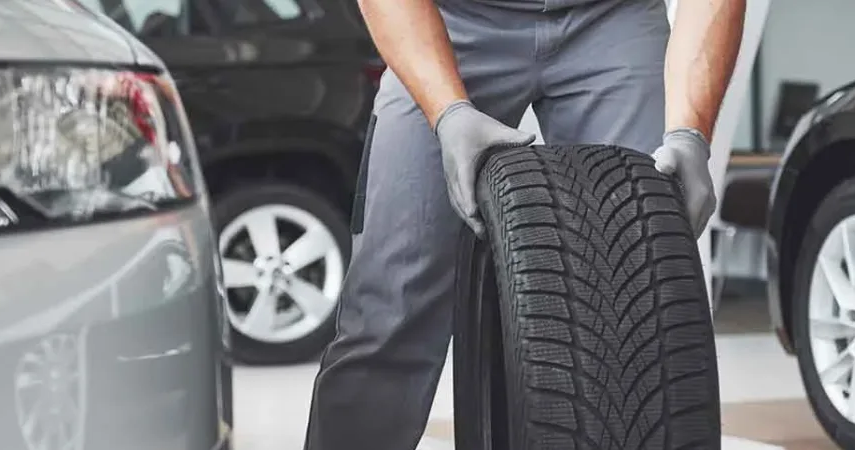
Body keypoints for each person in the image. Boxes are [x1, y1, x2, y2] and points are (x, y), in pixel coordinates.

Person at [303, 0, 746, 447]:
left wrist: (690, 133)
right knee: (389, 312)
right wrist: (448, 112)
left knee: (647, 305)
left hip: (614, 18)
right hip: (449, 20)